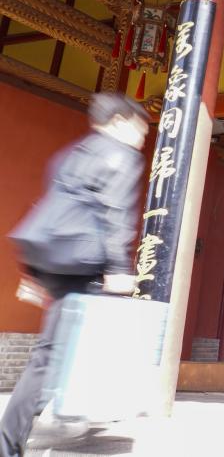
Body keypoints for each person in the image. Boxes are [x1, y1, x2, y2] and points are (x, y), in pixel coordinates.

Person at [3, 94, 148, 457]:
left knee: (51, 352)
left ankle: (25, 430)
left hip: (56, 262)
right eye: (139, 127)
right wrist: (118, 267)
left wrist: (35, 274)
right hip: (86, 263)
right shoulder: (120, 155)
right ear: (119, 121)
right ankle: (14, 439)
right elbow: (115, 212)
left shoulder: (70, 155)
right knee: (65, 350)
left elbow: (52, 210)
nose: (141, 136)